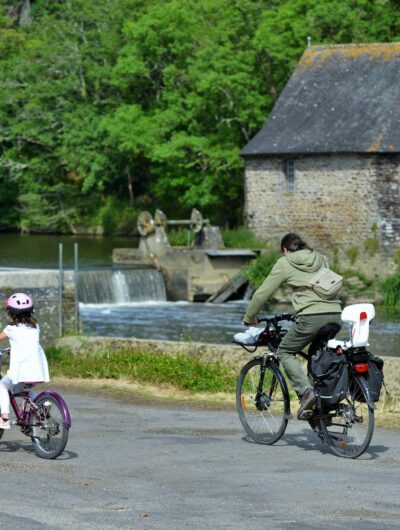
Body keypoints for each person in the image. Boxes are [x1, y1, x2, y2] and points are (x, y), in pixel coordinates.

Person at [243, 233, 342, 419]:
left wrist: (249, 317)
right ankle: (320, 402)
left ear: (285, 250)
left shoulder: (285, 262)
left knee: (285, 352)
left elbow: (261, 294)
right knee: (317, 354)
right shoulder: (321, 258)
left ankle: (307, 392)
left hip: (311, 316)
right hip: (336, 314)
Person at [0, 293, 49, 429]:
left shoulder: (11, 328)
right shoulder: (36, 326)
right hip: (37, 371)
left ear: (12, 313)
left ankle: (4, 418)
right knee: (21, 390)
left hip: (21, 371)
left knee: (2, 386)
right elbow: (26, 343)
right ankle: (44, 403)